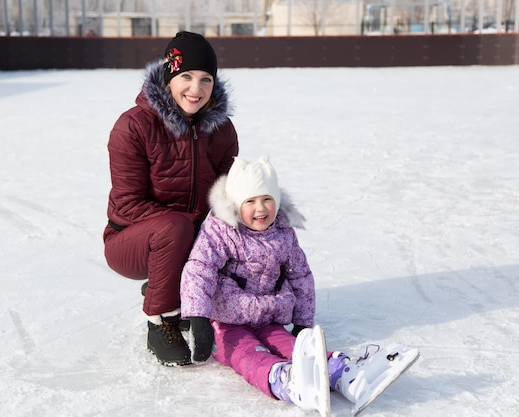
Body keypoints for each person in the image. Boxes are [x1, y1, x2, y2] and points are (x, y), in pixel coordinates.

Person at [180, 156, 419, 414]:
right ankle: (285, 380)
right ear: (237, 205)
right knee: (248, 353)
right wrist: (198, 319)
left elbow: (300, 275)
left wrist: (303, 322)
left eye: (267, 199)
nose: (260, 209)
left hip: (269, 317)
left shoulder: (283, 232)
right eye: (250, 201)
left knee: (294, 348)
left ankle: (346, 376)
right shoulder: (222, 231)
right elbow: (199, 270)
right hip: (226, 322)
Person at [103, 31, 239, 367]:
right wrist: (193, 229)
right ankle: (160, 320)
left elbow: (226, 195)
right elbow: (128, 204)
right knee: (176, 228)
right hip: (129, 240)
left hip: (187, 235)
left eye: (206, 79)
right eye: (187, 77)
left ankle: (178, 289)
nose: (196, 89)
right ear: (169, 76)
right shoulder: (132, 127)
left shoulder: (222, 130)